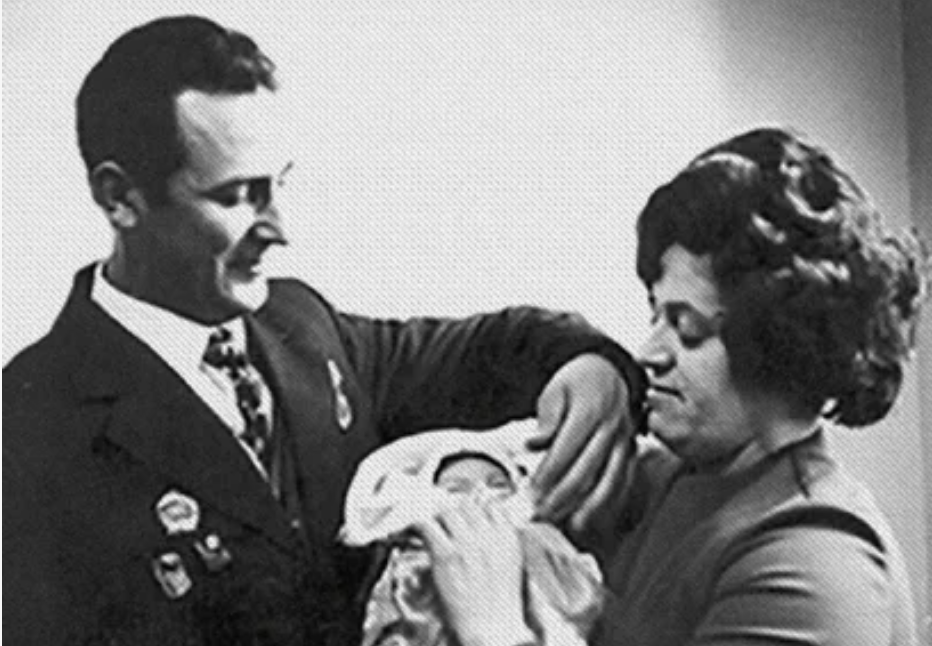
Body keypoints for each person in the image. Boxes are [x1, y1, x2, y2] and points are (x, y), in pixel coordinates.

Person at [1, 15, 645, 646]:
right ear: (119, 197)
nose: (280, 230)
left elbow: (487, 351)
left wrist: (592, 367)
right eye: (237, 196)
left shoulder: (299, 325)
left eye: (279, 184)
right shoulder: (28, 426)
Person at [416, 127, 928, 646]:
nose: (649, 354)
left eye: (688, 329)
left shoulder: (815, 564)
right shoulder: (666, 479)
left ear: (777, 346)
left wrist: (493, 625)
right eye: (656, 315)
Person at [341, 421, 604, 646]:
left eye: (498, 484)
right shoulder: (410, 567)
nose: (481, 494)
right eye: (456, 488)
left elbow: (580, 605)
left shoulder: (546, 545)